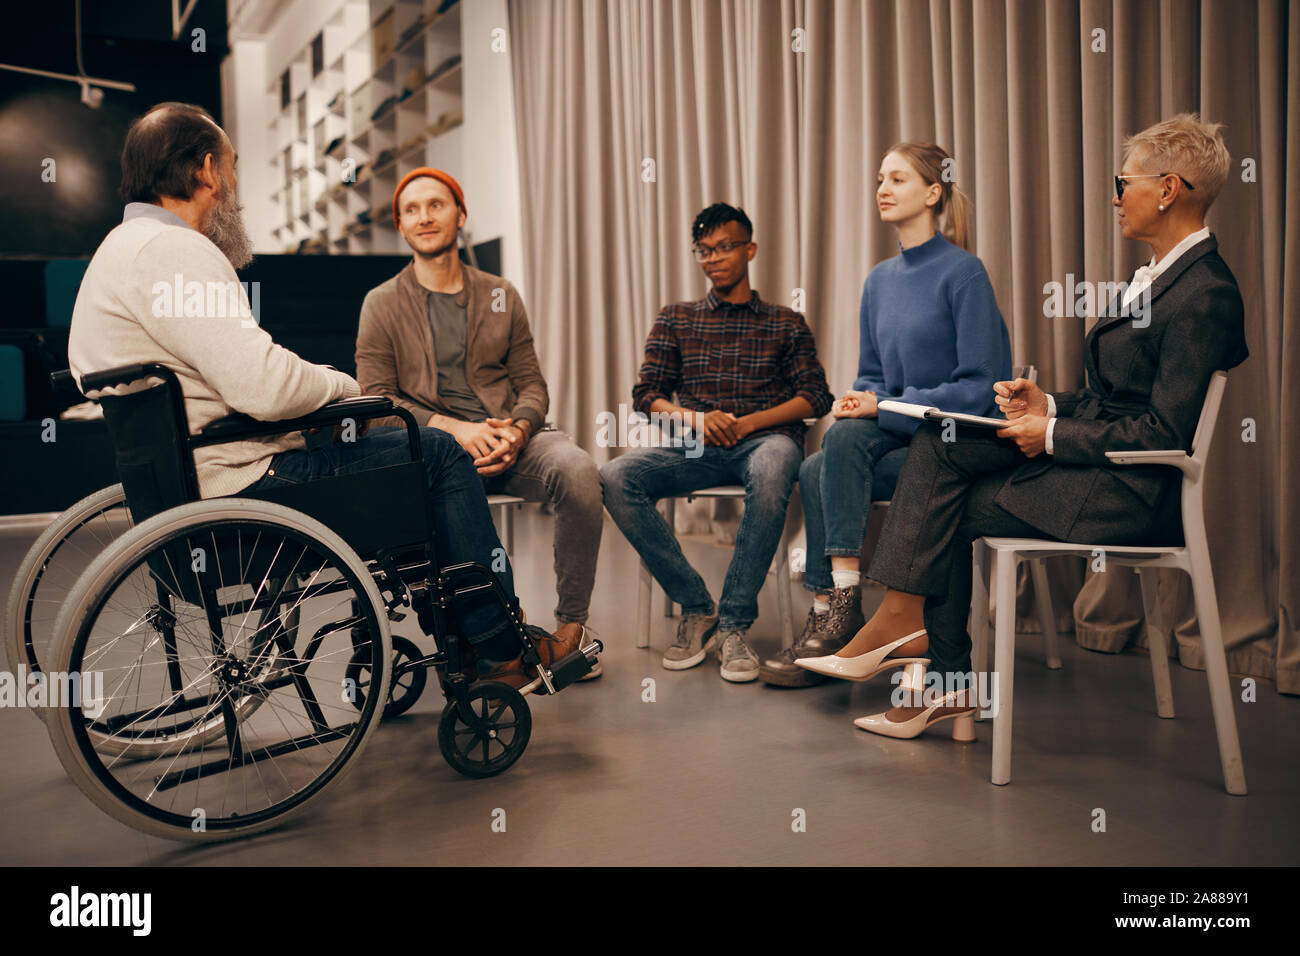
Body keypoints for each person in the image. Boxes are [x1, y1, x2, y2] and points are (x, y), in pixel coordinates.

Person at [67, 103, 577, 683]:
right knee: (435, 454)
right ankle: (501, 648)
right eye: (233, 170)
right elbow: (263, 385)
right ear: (208, 170)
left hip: (180, 490)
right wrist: (342, 385)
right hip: (242, 492)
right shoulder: (178, 252)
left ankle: (461, 629)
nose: (237, 188)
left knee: (395, 449)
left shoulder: (116, 251)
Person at [795, 113, 1248, 739]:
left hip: (1131, 494)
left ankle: (927, 657)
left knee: (939, 497)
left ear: (1167, 190)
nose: (1115, 198)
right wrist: (1051, 404)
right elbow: (1115, 399)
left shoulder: (1204, 294)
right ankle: (914, 639)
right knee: (941, 450)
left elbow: (1163, 432)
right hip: (1097, 466)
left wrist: (1053, 435)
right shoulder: (1160, 277)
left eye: (1124, 183)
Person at [760, 142, 1012, 687]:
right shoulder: (878, 282)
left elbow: (981, 389)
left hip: (953, 446)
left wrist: (882, 406)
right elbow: (873, 375)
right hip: (900, 437)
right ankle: (838, 615)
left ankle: (838, 613)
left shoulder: (964, 274)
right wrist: (863, 399)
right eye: (879, 179)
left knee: (830, 454)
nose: (882, 189)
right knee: (818, 461)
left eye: (897, 180)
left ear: (932, 192)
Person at [355, 167, 605, 680]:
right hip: (434, 449)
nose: (425, 217)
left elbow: (532, 383)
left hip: (508, 437)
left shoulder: (500, 294)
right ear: (401, 227)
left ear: (460, 215)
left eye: (437, 205)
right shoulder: (380, 304)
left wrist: (517, 429)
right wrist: (453, 427)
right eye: (412, 209)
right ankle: (476, 637)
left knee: (580, 471)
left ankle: (571, 630)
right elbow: (377, 400)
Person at [602, 203, 834, 682]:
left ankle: (733, 624)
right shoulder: (676, 318)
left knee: (773, 469)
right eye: (703, 251)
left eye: (724, 247)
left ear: (749, 249)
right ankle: (697, 606)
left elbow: (816, 397)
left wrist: (747, 425)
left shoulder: (785, 322)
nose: (713, 258)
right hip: (695, 444)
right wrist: (695, 420)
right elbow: (646, 395)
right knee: (615, 474)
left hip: (765, 441)